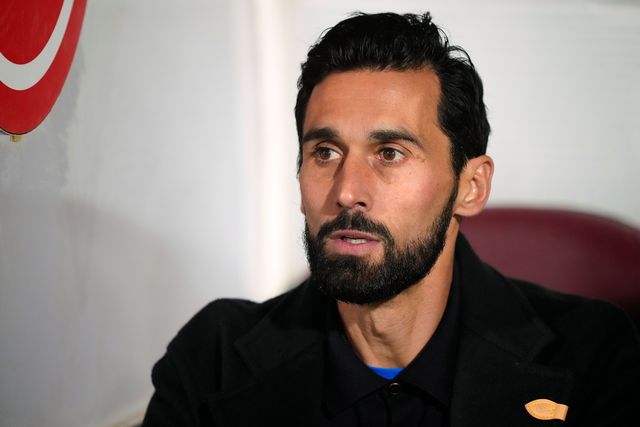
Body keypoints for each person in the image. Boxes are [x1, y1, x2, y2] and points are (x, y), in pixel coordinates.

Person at [142, 12, 640, 426]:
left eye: (390, 153)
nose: (346, 192)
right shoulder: (215, 358)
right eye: (325, 152)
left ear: (471, 186)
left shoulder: (593, 353)